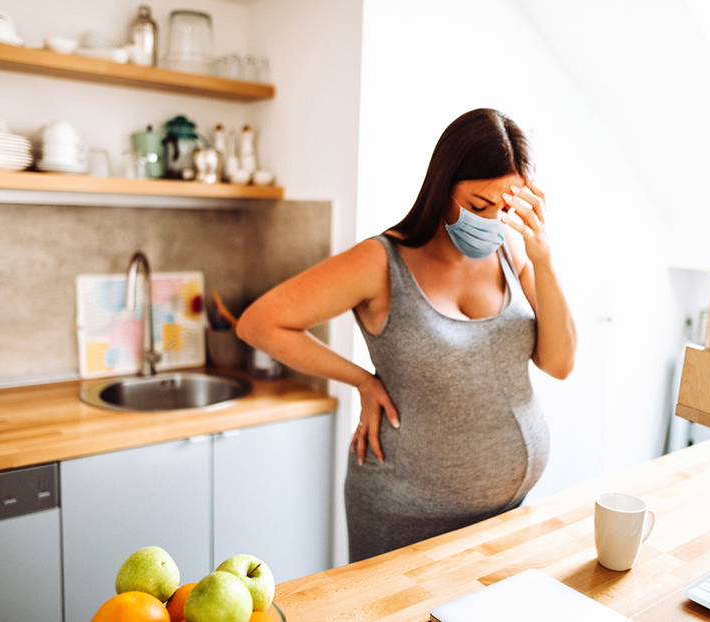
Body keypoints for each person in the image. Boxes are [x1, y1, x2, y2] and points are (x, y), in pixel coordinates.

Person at [236, 108, 577, 563]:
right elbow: (260, 322)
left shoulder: (513, 250)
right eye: (479, 206)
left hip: (507, 516)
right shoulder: (381, 262)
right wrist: (362, 379)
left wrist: (545, 262)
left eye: (506, 207)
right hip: (406, 519)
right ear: (442, 186)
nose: (492, 220)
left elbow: (560, 363)